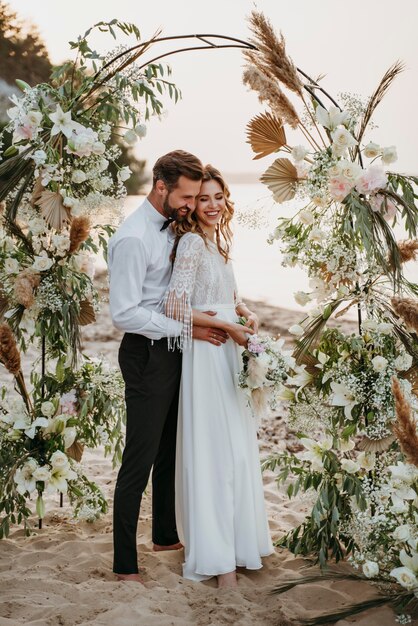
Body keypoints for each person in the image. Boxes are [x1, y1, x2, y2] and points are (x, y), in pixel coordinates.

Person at [108, 151, 237, 583]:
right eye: (185, 196)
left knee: (169, 448)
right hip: (146, 352)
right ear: (160, 187)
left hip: (177, 346)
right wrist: (186, 327)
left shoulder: (173, 227)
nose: (189, 204)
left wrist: (193, 327)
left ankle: (165, 534)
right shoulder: (132, 239)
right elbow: (125, 313)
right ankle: (125, 562)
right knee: (139, 458)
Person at [164, 165, 273, 588]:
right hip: (208, 353)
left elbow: (225, 293)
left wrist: (244, 310)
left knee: (238, 451)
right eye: (203, 198)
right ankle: (219, 562)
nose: (212, 205)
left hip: (230, 352)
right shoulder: (190, 242)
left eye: (218, 197)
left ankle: (239, 546)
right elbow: (174, 307)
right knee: (215, 453)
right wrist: (228, 328)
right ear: (193, 204)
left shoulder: (217, 241)